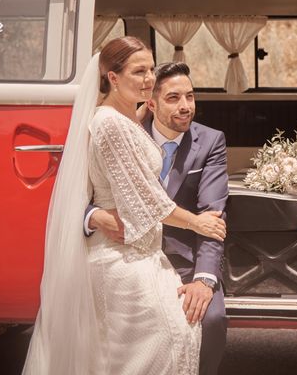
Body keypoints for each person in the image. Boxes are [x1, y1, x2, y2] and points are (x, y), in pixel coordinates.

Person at [23, 36, 226, 374]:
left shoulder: (129, 118)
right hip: (124, 256)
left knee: (156, 346)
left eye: (150, 70)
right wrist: (197, 222)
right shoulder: (111, 124)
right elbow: (146, 200)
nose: (148, 79)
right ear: (112, 77)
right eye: (138, 72)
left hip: (148, 255)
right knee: (158, 347)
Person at [86, 61, 229, 375]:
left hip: (184, 259)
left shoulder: (210, 142)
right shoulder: (122, 130)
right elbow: (86, 190)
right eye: (173, 98)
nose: (185, 107)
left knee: (212, 320)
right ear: (150, 102)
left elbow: (213, 220)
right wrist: (93, 215)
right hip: (128, 253)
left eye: (190, 97)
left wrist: (204, 280)